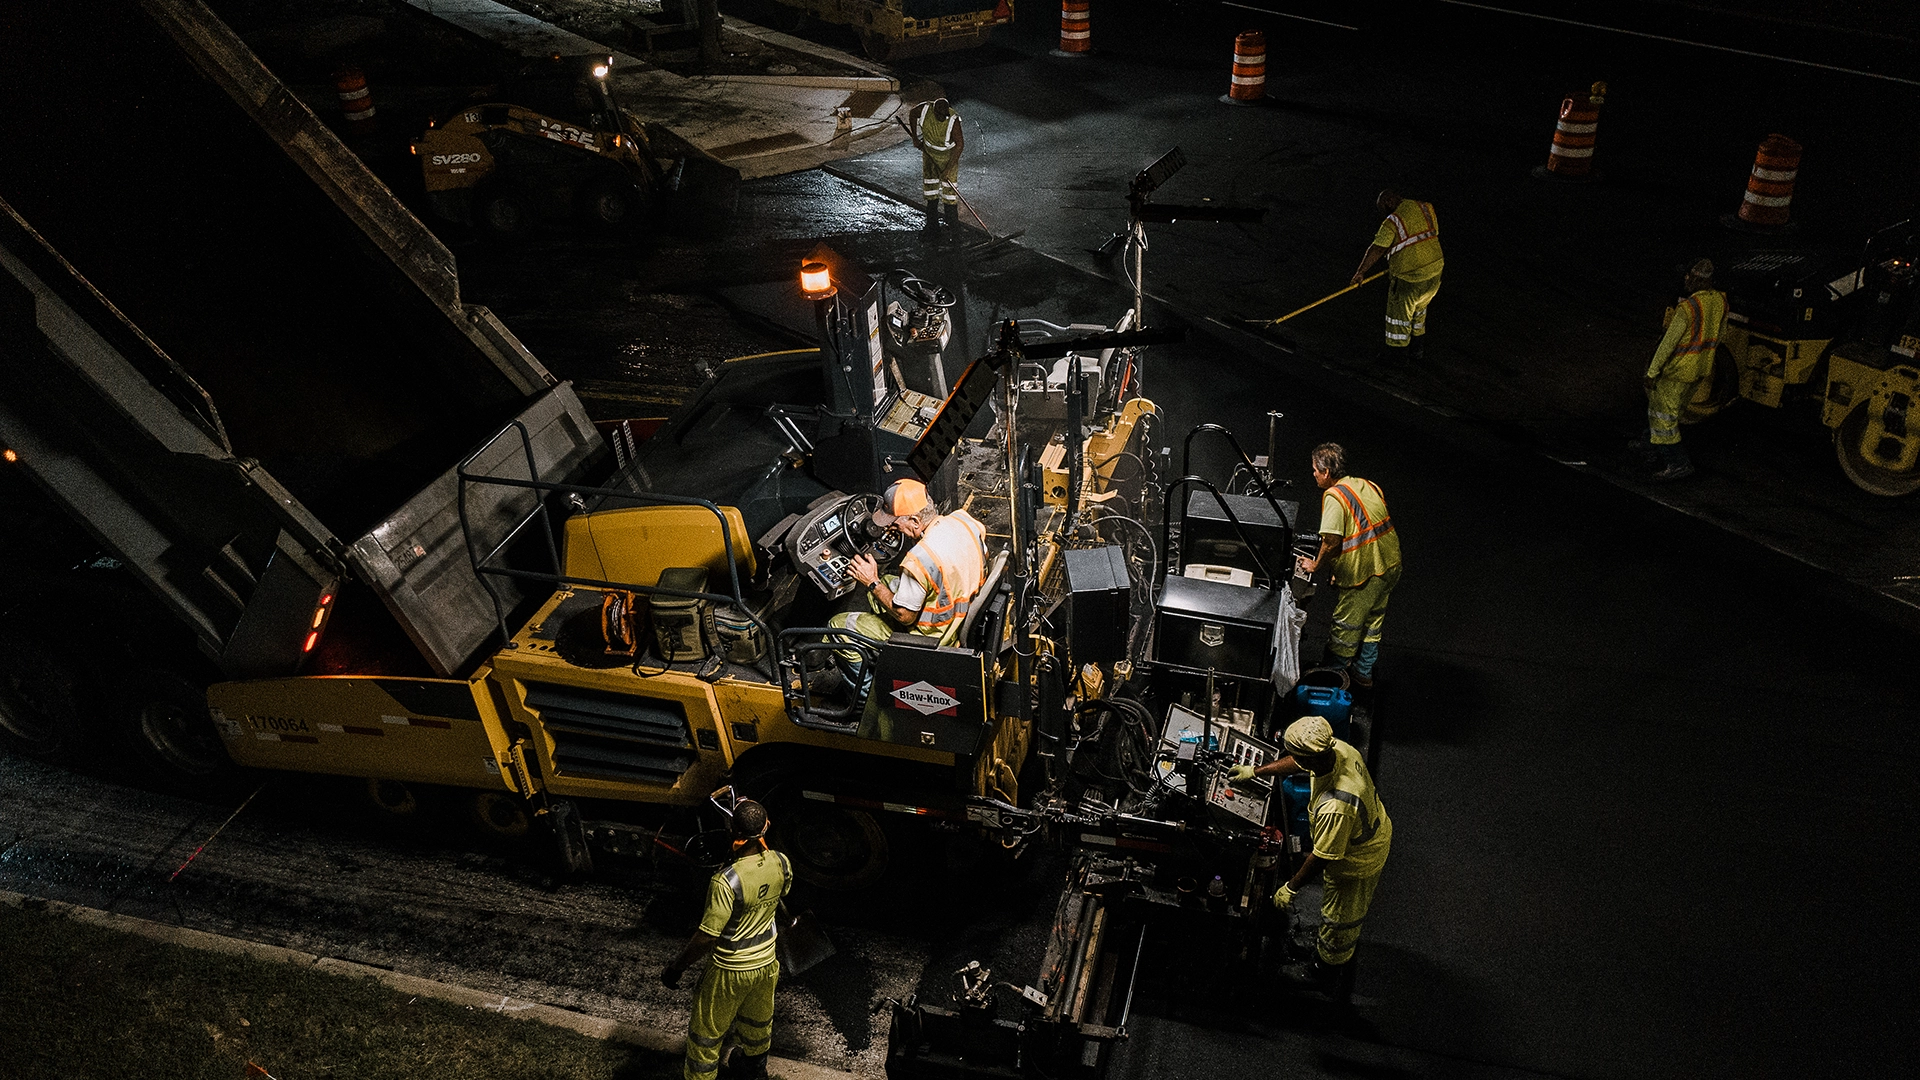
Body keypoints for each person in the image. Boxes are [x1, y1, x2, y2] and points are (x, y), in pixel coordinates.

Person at [1229, 715, 1391, 991]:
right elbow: (1298, 761)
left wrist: (1291, 888)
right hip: (1358, 838)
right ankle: (1324, 953)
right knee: (1332, 909)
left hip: (1358, 860)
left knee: (1340, 919)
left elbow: (1323, 857)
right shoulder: (1336, 748)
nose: (1295, 759)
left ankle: (1325, 968)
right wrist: (1256, 772)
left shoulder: (1337, 804)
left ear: (1311, 758)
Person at [661, 799, 791, 1080]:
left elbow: (706, 937)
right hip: (766, 963)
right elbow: (776, 895)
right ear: (766, 826)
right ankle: (755, 1070)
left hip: (729, 970)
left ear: (734, 832)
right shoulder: (782, 863)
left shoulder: (725, 881)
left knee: (706, 1034)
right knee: (758, 1022)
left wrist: (676, 967)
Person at [831, 478, 989, 648]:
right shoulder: (963, 520)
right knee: (885, 581)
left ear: (915, 521)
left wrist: (871, 581)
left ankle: (875, 671)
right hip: (961, 615)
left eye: (896, 523)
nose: (892, 527)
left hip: (934, 638)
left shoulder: (919, 560)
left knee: (838, 626)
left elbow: (905, 616)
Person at [1296, 443, 1401, 689]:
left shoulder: (1334, 496)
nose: (1313, 474)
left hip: (1365, 573)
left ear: (1326, 472)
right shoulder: (1366, 484)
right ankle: (1363, 672)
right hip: (1391, 563)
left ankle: (1332, 675)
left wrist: (1316, 566)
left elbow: (1331, 541)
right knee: (1373, 621)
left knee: (1346, 626)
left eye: (1315, 470)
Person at [1635, 258, 1726, 482]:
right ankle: (1648, 443)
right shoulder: (1721, 301)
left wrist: (1652, 371)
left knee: (1663, 417)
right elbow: (1720, 336)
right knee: (1670, 411)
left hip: (1677, 371)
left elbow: (1668, 342)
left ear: (1701, 280)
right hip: (1700, 370)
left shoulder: (1688, 308)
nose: (1686, 279)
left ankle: (1677, 463)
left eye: (1691, 277)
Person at [1352, 189, 1443, 359]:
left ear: (1388, 202)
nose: (1384, 214)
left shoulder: (1393, 221)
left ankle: (1396, 356)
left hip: (1410, 277)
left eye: (1383, 209)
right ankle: (1417, 350)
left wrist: (1360, 272)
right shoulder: (1425, 207)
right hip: (1435, 271)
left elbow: (1377, 248)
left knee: (1398, 317)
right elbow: (1427, 236)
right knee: (1419, 310)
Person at [907, 97, 964, 234]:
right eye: (939, 115)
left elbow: (960, 145)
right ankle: (932, 227)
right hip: (929, 155)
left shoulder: (953, 120)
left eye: (944, 115)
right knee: (931, 192)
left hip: (947, 158)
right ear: (934, 111)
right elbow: (911, 114)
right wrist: (915, 137)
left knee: (949, 196)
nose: (942, 118)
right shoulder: (924, 110)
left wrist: (948, 169)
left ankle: (953, 229)